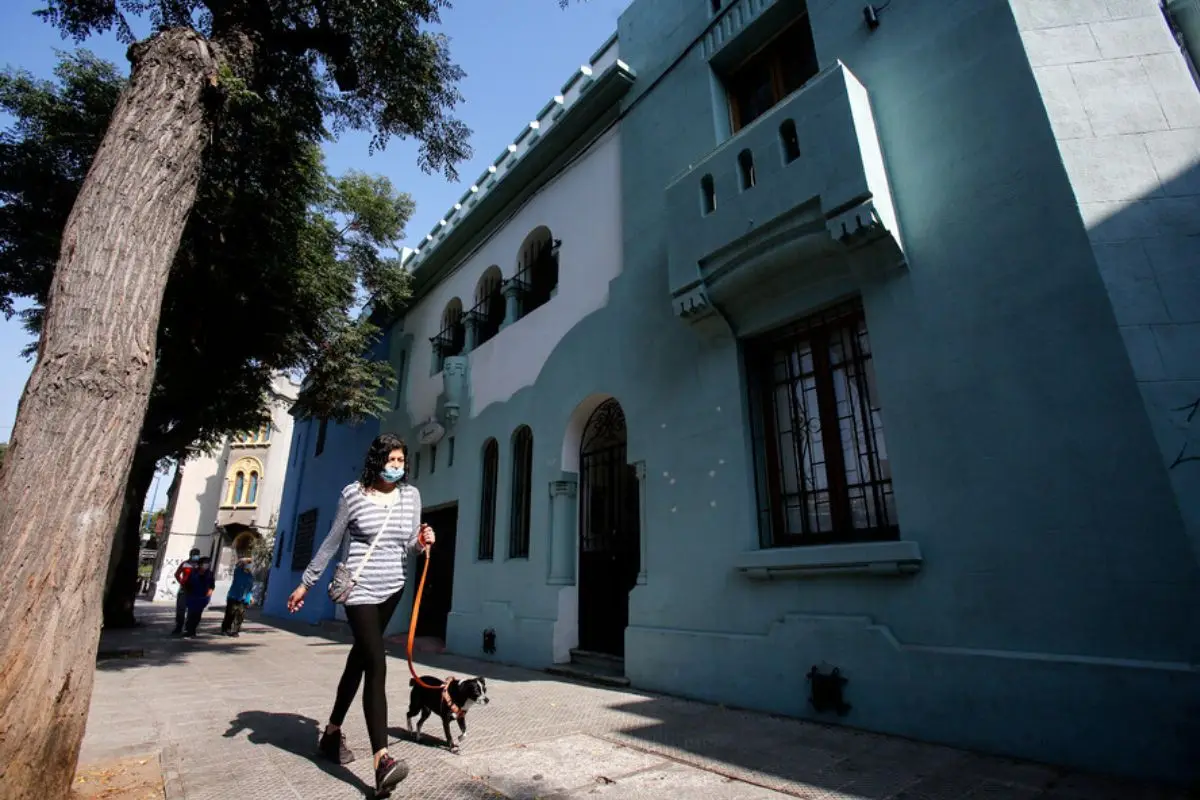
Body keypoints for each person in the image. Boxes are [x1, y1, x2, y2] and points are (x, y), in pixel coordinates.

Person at [287, 432, 435, 798]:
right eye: (391, 460)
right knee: (376, 662)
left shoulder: (411, 496)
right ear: (376, 460)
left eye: (401, 461)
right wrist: (307, 582)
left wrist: (423, 540)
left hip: (393, 587)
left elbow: (409, 546)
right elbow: (332, 541)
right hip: (358, 589)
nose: (396, 467)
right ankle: (382, 760)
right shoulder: (352, 494)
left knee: (359, 659)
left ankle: (332, 732)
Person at [221, 555, 255, 637]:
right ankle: (226, 629)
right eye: (247, 563)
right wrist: (247, 559)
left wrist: (250, 598)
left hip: (243, 598)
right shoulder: (238, 571)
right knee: (230, 614)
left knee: (240, 615)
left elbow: (249, 588)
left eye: (250, 564)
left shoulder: (250, 576)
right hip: (233, 596)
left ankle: (235, 630)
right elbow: (238, 563)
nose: (249, 565)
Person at [170, 548, 201, 636]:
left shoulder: (200, 565)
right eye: (194, 554)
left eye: (197, 554)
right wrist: (182, 582)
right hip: (184, 590)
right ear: (190, 555)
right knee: (180, 609)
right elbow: (177, 574)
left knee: (193, 611)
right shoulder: (184, 564)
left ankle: (190, 629)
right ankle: (178, 627)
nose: (196, 556)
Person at [183, 556, 215, 637]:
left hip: (202, 597)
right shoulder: (193, 572)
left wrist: (208, 594)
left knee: (197, 615)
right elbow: (187, 584)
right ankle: (189, 630)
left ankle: (192, 630)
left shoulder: (210, 574)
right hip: (192, 596)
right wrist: (187, 594)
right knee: (191, 614)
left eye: (208, 563)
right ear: (200, 564)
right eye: (205, 563)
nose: (207, 565)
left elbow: (212, 586)